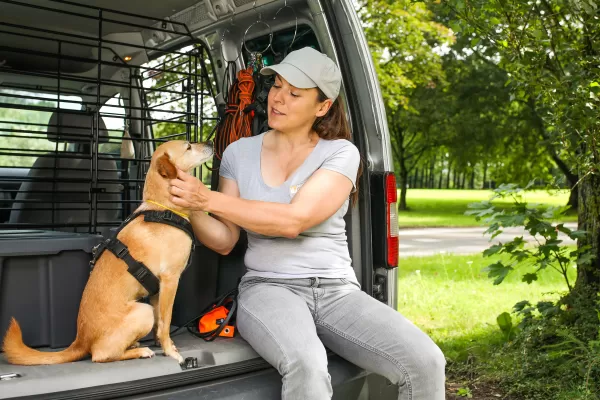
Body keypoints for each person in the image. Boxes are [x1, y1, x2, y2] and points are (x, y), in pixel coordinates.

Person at [168, 46, 446, 400]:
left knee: (426, 362)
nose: (277, 99)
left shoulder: (340, 152)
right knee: (308, 364)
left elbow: (293, 221)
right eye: (277, 86)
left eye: (294, 93)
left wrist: (206, 199)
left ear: (322, 107)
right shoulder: (239, 153)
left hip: (337, 291)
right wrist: (188, 204)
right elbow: (224, 240)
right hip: (269, 288)